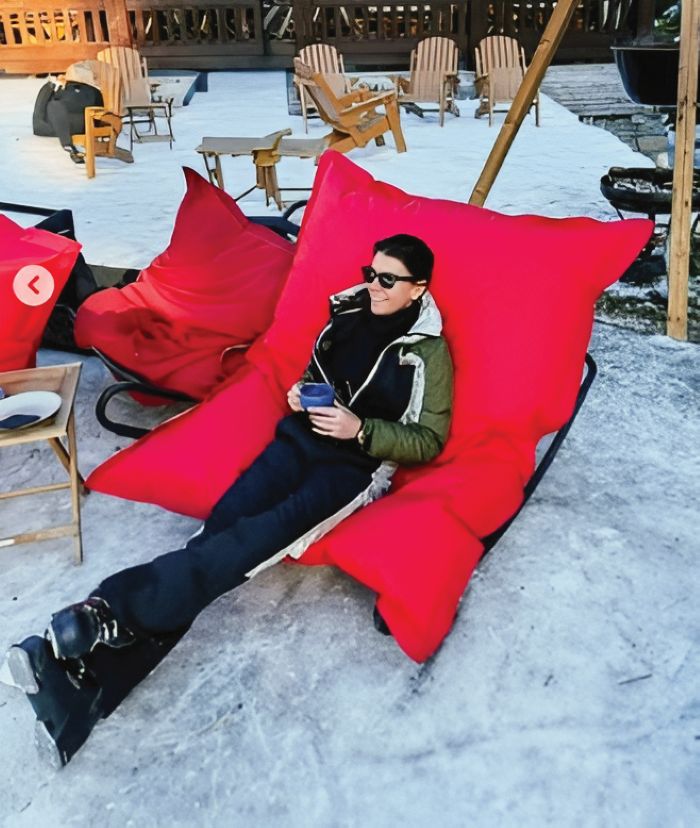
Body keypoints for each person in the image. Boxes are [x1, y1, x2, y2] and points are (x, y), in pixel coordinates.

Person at [4, 234, 454, 768]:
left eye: (388, 280)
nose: (373, 285)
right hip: (298, 440)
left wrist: (361, 430)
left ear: (417, 288)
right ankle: (96, 685)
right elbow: (318, 374)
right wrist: (301, 393)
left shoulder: (428, 354)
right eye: (371, 272)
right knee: (215, 538)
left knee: (247, 544)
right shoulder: (348, 310)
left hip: (351, 468)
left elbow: (429, 441)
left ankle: (106, 613)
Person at [32, 64, 104, 165]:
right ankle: (68, 145)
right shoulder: (95, 91)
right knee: (55, 106)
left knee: (54, 105)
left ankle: (67, 144)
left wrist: (52, 86)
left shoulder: (74, 90)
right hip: (84, 123)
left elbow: (40, 115)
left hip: (72, 123)